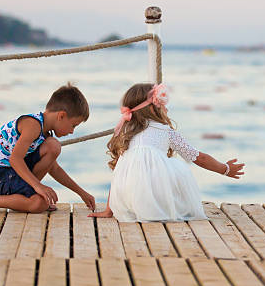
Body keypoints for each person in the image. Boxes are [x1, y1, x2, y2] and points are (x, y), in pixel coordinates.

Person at [89, 83, 244, 222]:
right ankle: (164, 208)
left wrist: (110, 210)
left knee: (126, 166)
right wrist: (225, 169)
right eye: (162, 104)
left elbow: (119, 172)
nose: (166, 108)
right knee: (178, 169)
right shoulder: (165, 131)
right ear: (152, 108)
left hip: (128, 203)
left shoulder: (127, 131)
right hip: (155, 198)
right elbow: (198, 157)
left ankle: (138, 208)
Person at [0, 83, 96, 213]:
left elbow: (54, 169)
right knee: (40, 203)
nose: (72, 131)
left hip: (12, 173)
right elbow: (15, 159)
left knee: (53, 146)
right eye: (73, 125)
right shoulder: (33, 125)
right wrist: (38, 186)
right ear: (61, 116)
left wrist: (81, 193)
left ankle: (26, 196)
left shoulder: (45, 134)